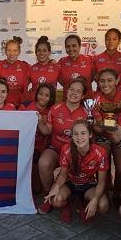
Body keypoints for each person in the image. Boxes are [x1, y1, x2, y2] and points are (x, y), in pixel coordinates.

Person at [43, 120, 109, 224]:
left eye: (83, 133)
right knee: (56, 201)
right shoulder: (66, 149)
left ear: (90, 135)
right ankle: (67, 205)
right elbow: (63, 175)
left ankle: (83, 202)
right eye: (75, 134)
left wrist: (95, 200)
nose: (79, 137)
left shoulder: (100, 152)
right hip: (70, 183)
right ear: (72, 136)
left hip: (89, 184)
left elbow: (101, 182)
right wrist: (55, 187)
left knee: (103, 206)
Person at [37, 77, 87, 213]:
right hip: (56, 148)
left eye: (78, 91)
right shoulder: (55, 108)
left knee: (81, 167)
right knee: (44, 163)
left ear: (83, 95)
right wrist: (40, 123)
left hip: (76, 151)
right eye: (71, 89)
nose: (74, 93)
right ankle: (48, 196)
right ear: (66, 91)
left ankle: (79, 199)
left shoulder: (86, 112)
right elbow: (47, 131)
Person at [92, 68, 121, 205]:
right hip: (103, 133)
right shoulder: (96, 99)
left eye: (109, 80)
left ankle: (117, 192)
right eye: (102, 81)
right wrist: (104, 127)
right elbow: (96, 126)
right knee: (103, 162)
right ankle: (105, 190)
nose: (105, 84)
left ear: (117, 80)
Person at [19, 83, 56, 194]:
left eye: (47, 95)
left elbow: (47, 132)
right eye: (40, 94)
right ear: (36, 94)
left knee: (36, 190)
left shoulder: (51, 111)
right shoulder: (26, 107)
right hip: (26, 146)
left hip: (42, 148)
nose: (43, 97)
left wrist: (39, 122)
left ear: (51, 98)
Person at [0, 37, 30, 107]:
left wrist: (50, 61)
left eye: (15, 50)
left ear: (19, 52)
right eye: (9, 50)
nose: (11, 53)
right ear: (5, 51)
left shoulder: (26, 66)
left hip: (21, 106)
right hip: (2, 106)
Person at [58, 34, 94, 99]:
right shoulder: (61, 62)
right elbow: (62, 82)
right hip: (68, 103)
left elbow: (93, 77)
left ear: (79, 46)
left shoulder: (90, 60)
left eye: (74, 46)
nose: (71, 49)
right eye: (68, 46)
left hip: (87, 102)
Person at [28, 36, 59, 102]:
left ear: (49, 52)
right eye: (39, 50)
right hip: (34, 105)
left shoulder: (56, 68)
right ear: (36, 52)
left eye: (44, 50)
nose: (41, 53)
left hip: (50, 105)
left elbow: (66, 84)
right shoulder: (31, 69)